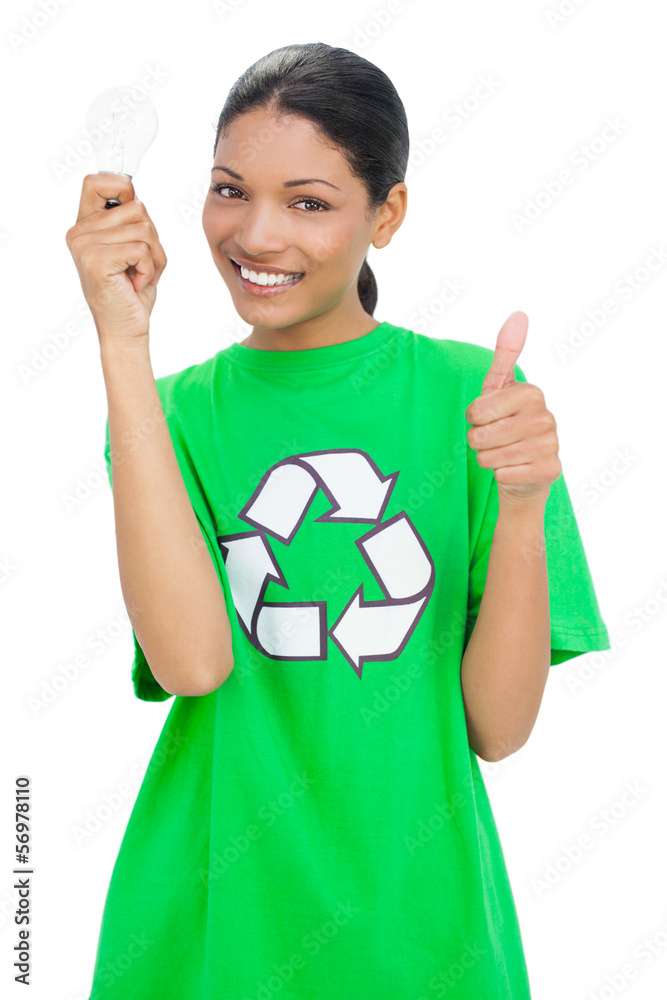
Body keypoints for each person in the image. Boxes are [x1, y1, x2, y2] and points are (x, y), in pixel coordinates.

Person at [67, 42, 611, 1000]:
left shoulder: (474, 401)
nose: (257, 236)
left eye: (308, 201)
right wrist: (121, 339)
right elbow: (195, 663)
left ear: (386, 214)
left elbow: (499, 727)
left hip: (424, 927)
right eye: (230, 191)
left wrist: (521, 509)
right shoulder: (169, 415)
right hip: (208, 928)